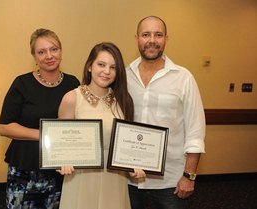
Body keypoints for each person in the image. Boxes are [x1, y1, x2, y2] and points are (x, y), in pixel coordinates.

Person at [126, 16, 206, 209]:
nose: (152, 40)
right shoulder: (124, 75)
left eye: (158, 35)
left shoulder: (183, 78)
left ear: (166, 39)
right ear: (137, 38)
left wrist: (189, 176)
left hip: (170, 180)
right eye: (146, 34)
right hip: (129, 178)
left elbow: (195, 131)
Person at [0, 28, 80, 209]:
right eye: (41, 52)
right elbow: (4, 127)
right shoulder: (22, 83)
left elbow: (79, 124)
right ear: (34, 57)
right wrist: (45, 134)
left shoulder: (73, 84)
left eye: (54, 49)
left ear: (61, 51)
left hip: (60, 169)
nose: (49, 56)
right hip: (25, 168)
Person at [57, 42, 133, 209]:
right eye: (101, 64)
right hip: (81, 178)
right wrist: (63, 162)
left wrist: (135, 166)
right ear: (89, 66)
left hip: (114, 179)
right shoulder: (72, 98)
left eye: (113, 67)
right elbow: (62, 145)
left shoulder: (123, 100)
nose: (107, 71)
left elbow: (128, 145)